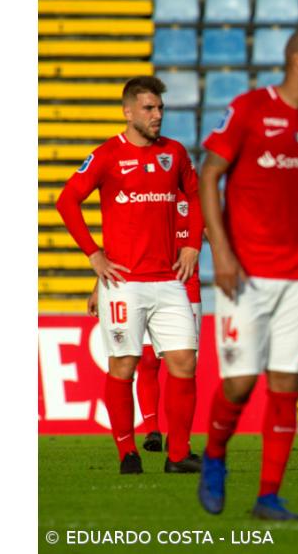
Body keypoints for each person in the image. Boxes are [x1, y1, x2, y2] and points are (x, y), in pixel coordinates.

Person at [197, 28, 298, 520]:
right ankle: (214, 456)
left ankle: (268, 497)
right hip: (246, 274)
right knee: (239, 385)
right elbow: (209, 175)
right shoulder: (248, 109)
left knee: (287, 384)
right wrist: (220, 252)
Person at [56, 76, 203, 475]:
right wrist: (94, 255)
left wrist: (191, 243)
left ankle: (178, 455)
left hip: (169, 281)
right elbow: (66, 201)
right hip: (124, 284)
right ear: (128, 112)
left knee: (184, 363)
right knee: (124, 365)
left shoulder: (175, 152)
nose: (157, 116)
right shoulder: (106, 155)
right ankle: (127, 452)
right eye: (149, 109)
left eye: (159, 108)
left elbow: (195, 195)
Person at [88, 192, 204, 454]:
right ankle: (152, 429)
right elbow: (121, 247)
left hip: (186, 290)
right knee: (148, 361)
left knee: (183, 365)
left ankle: (178, 444)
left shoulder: (195, 201)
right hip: (141, 286)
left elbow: (217, 236)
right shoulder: (149, 196)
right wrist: (99, 287)